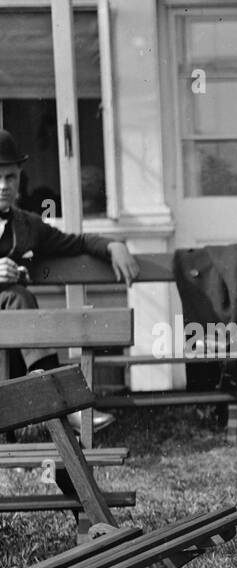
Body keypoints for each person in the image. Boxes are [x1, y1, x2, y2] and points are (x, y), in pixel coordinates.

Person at [0, 129, 138, 431]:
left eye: (10, 177)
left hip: (11, 331)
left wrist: (112, 245)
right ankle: (63, 406)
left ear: (20, 177)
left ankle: (55, 409)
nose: (3, 186)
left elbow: (76, 243)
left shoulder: (27, 225)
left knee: (17, 300)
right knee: (17, 297)